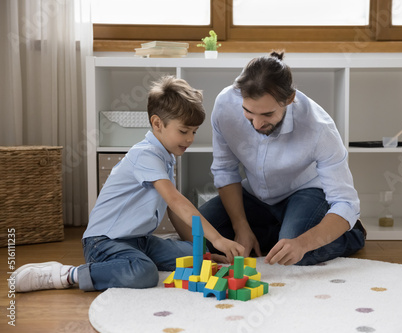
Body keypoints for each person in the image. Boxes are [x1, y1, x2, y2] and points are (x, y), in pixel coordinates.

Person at [12, 76, 244, 292]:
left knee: (199, 253)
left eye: (194, 131)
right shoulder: (146, 155)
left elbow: (174, 211)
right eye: (184, 131)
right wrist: (217, 239)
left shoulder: (166, 156)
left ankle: (138, 259)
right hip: (104, 242)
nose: (190, 139)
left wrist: (200, 254)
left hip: (138, 240)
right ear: (157, 123)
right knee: (143, 274)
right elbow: (176, 200)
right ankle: (68, 274)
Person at [198, 51, 366, 266]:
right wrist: (241, 226)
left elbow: (346, 203)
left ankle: (351, 233)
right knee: (202, 238)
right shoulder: (225, 104)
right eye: (248, 112)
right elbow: (225, 170)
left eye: (267, 115)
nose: (257, 124)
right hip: (255, 195)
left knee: (296, 254)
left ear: (289, 99)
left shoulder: (319, 129)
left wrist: (302, 243)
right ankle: (278, 234)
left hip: (305, 193)